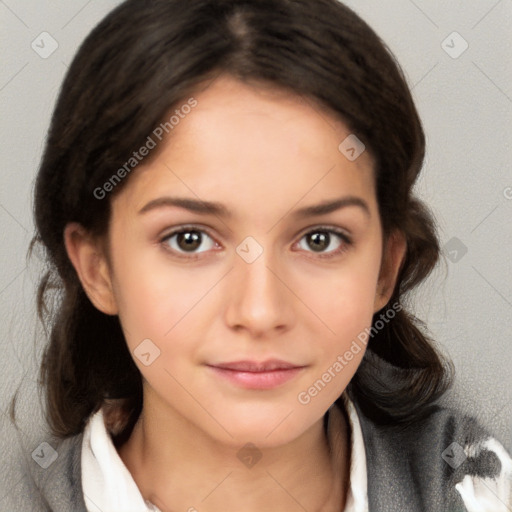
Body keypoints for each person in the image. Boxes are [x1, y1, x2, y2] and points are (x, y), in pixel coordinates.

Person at [5, 0, 511, 510]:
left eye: (320, 239)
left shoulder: (478, 487)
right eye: (189, 239)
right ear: (98, 268)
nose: (260, 311)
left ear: (384, 268)